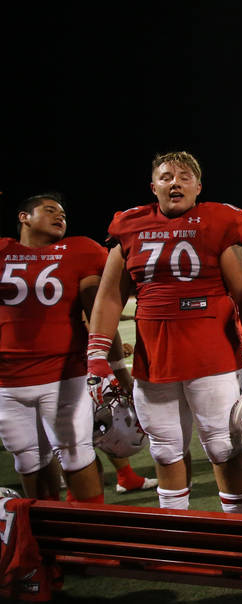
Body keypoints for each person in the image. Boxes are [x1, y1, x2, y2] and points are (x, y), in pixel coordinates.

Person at [88, 151, 242, 514]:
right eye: (167, 176)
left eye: (185, 177)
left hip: (212, 357)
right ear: (152, 186)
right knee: (166, 448)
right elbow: (109, 295)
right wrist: (97, 353)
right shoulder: (130, 225)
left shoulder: (218, 219)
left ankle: (239, 531)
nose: (175, 182)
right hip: (153, 360)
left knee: (222, 446)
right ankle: (178, 532)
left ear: (198, 187)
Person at [0, 194, 113, 503]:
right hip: (7, 380)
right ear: (24, 217)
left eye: (63, 213)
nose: (59, 216)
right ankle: (47, 538)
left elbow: (98, 310)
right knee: (27, 459)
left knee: (76, 455)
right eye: (49, 210)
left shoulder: (80, 250)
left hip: (64, 374)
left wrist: (113, 366)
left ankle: (93, 545)